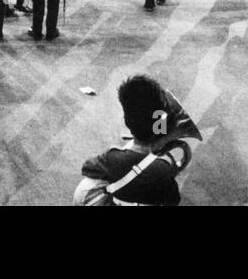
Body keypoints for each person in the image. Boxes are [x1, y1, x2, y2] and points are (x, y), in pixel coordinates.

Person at [74, 75, 202, 206]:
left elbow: (87, 168)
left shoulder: (112, 159)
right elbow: (173, 200)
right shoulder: (164, 168)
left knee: (86, 187)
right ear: (162, 124)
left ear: (127, 122)